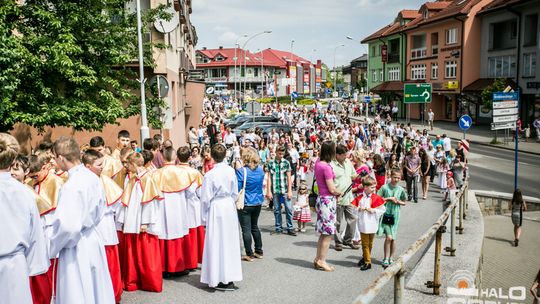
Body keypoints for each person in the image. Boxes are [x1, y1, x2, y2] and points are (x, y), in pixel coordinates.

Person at [48, 137, 115, 303]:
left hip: (76, 246)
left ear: (61, 157)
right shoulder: (92, 177)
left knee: (77, 291)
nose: (54, 161)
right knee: (95, 289)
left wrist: (52, 247)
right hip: (92, 237)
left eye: (54, 158)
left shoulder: (72, 185)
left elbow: (68, 228)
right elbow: (100, 208)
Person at [0, 133, 50, 304]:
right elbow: (35, 235)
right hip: (16, 266)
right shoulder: (25, 193)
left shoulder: (25, 192)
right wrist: (35, 267)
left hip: (16, 261)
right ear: (13, 161)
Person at [82, 150, 124, 303]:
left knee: (109, 260)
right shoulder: (84, 182)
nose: (102, 167)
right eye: (99, 164)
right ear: (87, 166)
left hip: (105, 226)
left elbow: (117, 202)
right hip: (94, 227)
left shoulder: (104, 180)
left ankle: (112, 293)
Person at [117, 152, 163, 292]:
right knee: (134, 252)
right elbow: (127, 200)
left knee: (145, 253)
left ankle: (149, 282)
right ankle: (133, 280)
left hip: (142, 221)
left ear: (134, 164)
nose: (126, 166)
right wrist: (123, 219)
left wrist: (145, 222)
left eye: (128, 164)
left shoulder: (147, 179)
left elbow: (149, 203)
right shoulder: (133, 179)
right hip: (133, 218)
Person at [200, 144, 242, 291]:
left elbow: (205, 198)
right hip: (228, 205)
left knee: (216, 241)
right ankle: (228, 277)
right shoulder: (231, 171)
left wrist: (204, 217)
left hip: (216, 207)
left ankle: (216, 276)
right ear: (225, 156)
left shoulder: (210, 175)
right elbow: (235, 192)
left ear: (212, 155)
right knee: (229, 241)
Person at [152, 147, 193, 275]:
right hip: (179, 205)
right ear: (175, 157)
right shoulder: (182, 172)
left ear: (163, 158)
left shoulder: (157, 173)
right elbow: (190, 192)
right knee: (178, 231)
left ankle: (164, 267)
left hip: (163, 206)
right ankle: (178, 266)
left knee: (164, 233)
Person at [313, 141, 342, 272]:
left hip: (321, 198)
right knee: (328, 233)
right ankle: (322, 260)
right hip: (327, 200)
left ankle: (318, 258)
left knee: (323, 233)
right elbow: (331, 187)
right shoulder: (327, 167)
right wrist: (338, 192)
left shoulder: (318, 163)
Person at [236, 147, 265, 261]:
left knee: (246, 229)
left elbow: (238, 188)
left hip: (246, 202)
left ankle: (249, 253)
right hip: (257, 201)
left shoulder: (242, 171)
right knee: (255, 227)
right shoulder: (260, 170)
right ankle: (259, 250)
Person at [352, 176, 386, 271]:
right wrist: (359, 209)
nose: (374, 189)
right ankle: (368, 262)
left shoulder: (376, 198)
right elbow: (354, 210)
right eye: (371, 187)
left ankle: (364, 258)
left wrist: (374, 210)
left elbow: (382, 210)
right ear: (365, 187)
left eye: (374, 187)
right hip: (363, 223)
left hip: (373, 223)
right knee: (365, 244)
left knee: (370, 243)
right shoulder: (360, 198)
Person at [331, 144, 359, 251]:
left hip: (349, 196)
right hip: (337, 197)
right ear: (337, 155)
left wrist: (360, 176)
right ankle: (338, 242)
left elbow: (353, 175)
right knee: (337, 222)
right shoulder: (331, 165)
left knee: (353, 218)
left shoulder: (348, 162)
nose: (346, 157)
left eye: (346, 154)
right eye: (343, 155)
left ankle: (348, 240)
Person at [377, 170, 407, 268]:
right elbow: (377, 199)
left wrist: (398, 201)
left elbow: (404, 201)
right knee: (389, 237)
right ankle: (385, 258)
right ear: (391, 176)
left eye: (398, 178)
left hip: (396, 215)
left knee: (393, 238)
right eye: (395, 177)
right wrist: (389, 199)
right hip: (386, 214)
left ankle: (391, 257)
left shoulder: (401, 189)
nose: (396, 179)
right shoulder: (384, 187)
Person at [266, 145, 296, 236]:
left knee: (289, 209)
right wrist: (268, 191)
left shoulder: (286, 163)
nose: (281, 155)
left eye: (283, 154)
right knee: (277, 210)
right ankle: (278, 228)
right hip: (275, 190)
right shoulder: (271, 163)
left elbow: (289, 177)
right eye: (280, 153)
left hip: (285, 189)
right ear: (276, 152)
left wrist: (290, 190)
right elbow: (269, 178)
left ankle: (290, 227)